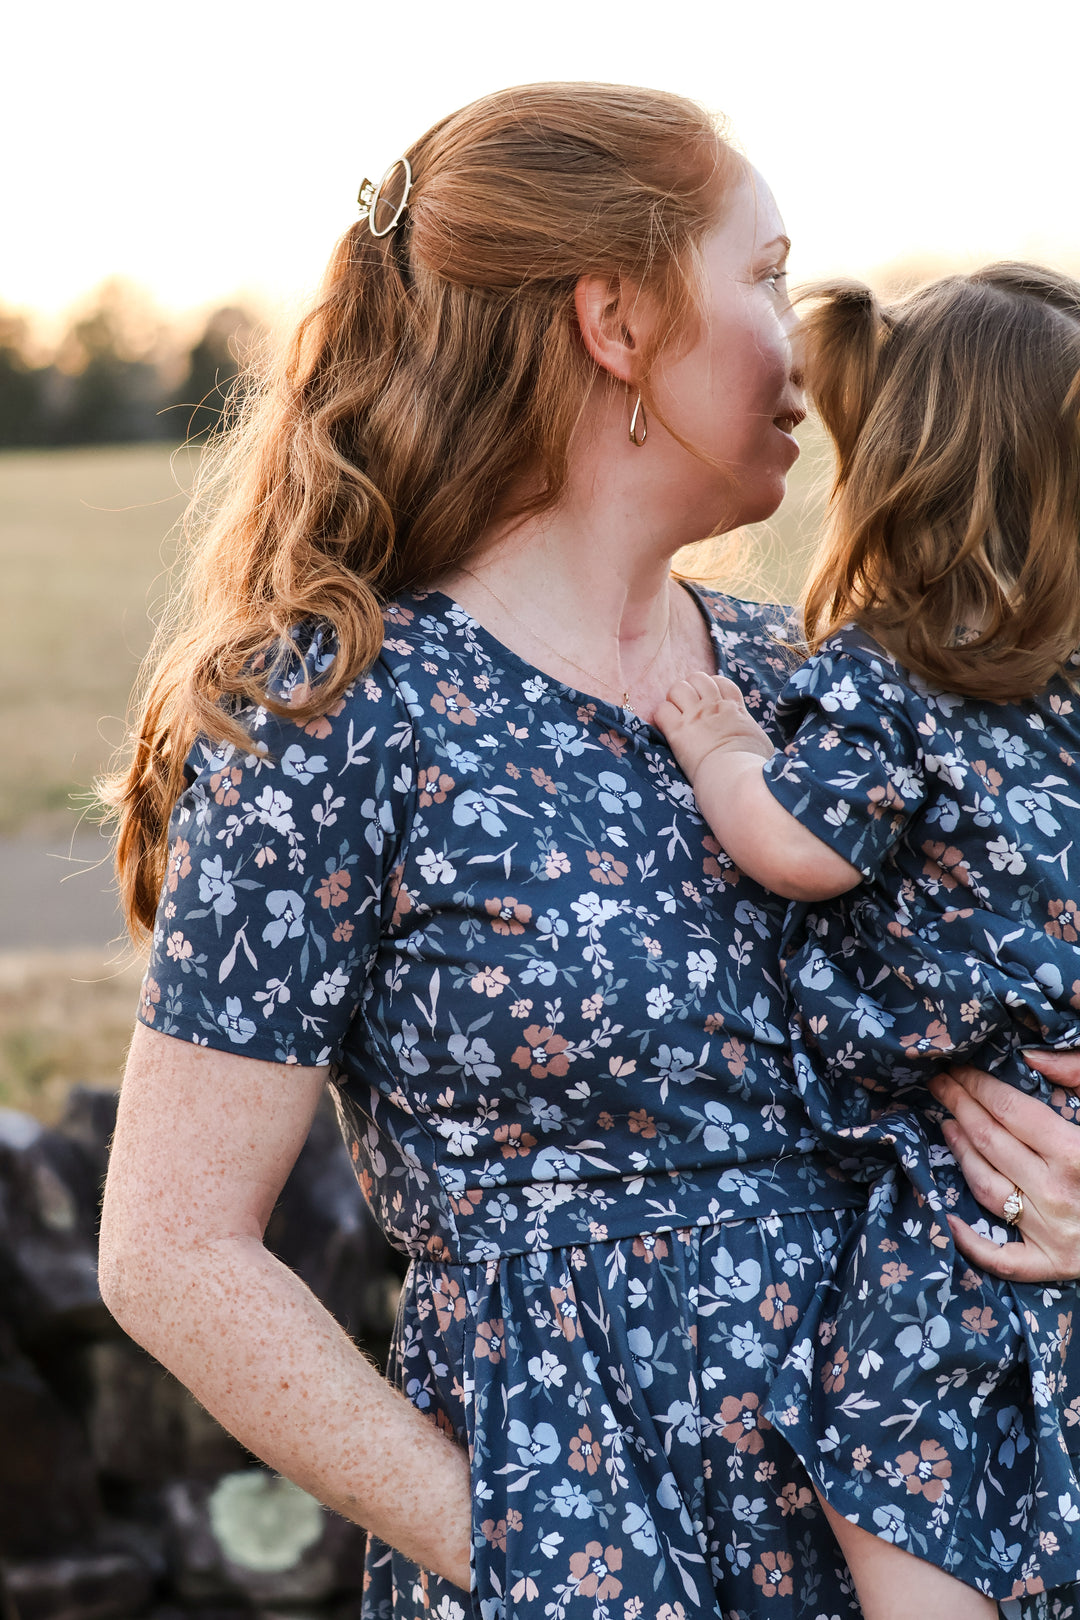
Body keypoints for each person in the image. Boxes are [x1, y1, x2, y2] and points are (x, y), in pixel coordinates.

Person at [96, 84, 1080, 1620]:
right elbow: (171, 1252)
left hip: (946, 1539)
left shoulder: (818, 682)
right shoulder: (343, 711)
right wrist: (532, 1554)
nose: (804, 343)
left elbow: (1020, 991)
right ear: (616, 319)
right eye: (762, 275)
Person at [657, 267, 1080, 1614]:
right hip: (1044, 1132)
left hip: (963, 1173)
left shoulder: (891, 677)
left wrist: (723, 745)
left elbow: (796, 847)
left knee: (902, 1452)